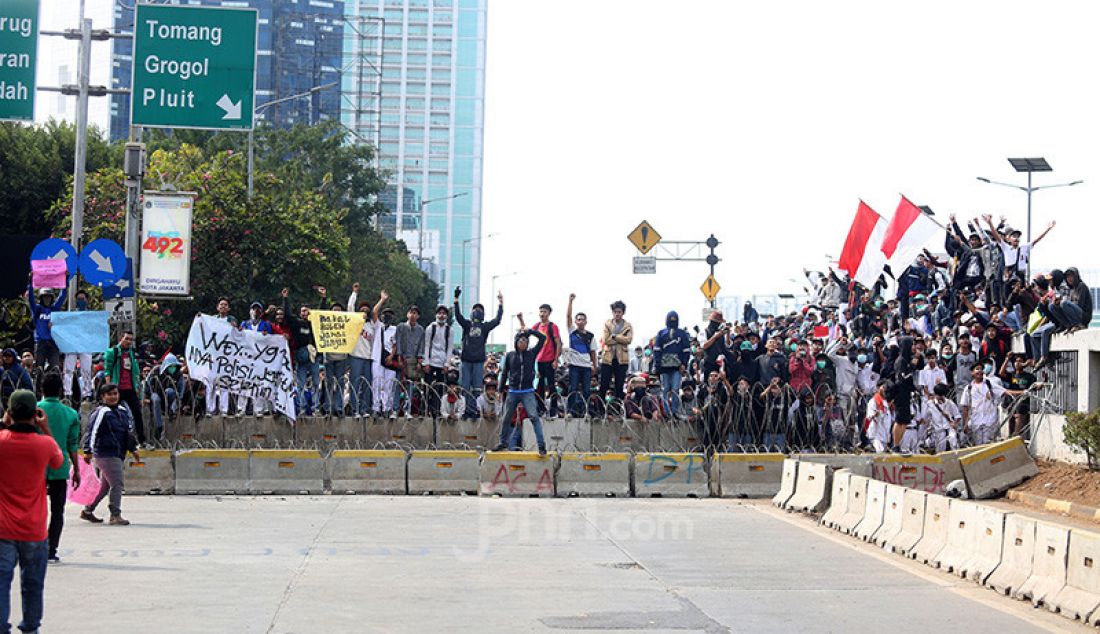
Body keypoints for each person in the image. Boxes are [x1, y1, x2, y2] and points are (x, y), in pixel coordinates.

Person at [0, 389, 63, 634]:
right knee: (33, 584)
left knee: (2, 583)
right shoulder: (44, 444)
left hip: (3, 528)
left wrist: (4, 425)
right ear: (34, 414)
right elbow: (59, 464)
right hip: (34, 529)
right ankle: (30, 628)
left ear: (10, 412)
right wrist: (46, 429)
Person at [80, 384, 140, 526]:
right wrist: (88, 451)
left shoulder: (122, 411)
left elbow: (127, 433)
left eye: (115, 393)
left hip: (118, 453)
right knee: (117, 484)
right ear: (103, 397)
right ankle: (115, 514)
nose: (113, 397)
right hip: (105, 453)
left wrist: (133, 449)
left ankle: (88, 511)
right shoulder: (102, 412)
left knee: (105, 486)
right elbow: (92, 431)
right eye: (109, 394)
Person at [37, 373, 81, 563]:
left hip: (35, 466)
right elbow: (72, 444)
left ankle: (34, 545)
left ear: (41, 390)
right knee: (57, 510)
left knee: (35, 508)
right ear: (61, 390)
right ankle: (51, 549)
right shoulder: (71, 414)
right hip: (60, 465)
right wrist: (76, 469)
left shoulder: (34, 410)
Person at [494, 322, 548, 455]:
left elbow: (543, 339)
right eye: (521, 340)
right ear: (516, 342)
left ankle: (541, 446)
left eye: (525, 340)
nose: (523, 342)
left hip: (528, 391)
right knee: (506, 417)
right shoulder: (510, 356)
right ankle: (502, 442)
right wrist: (500, 390)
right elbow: (505, 373)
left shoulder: (531, 354)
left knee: (534, 417)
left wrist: (530, 331)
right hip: (512, 391)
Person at [453, 288, 504, 419]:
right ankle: (464, 411)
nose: (477, 312)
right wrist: (456, 300)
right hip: (466, 360)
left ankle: (474, 410)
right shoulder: (467, 325)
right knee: (465, 387)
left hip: (478, 361)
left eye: (480, 310)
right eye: (475, 309)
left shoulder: (485, 327)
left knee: (476, 388)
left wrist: (500, 303)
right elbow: (458, 317)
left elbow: (497, 320)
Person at [281, 288, 320, 416]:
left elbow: (324, 314)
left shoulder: (315, 324)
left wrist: (323, 298)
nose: (305, 313)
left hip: (314, 358)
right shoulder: (296, 323)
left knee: (315, 382)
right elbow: (287, 314)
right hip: (301, 358)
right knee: (301, 383)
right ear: (300, 313)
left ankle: (315, 408)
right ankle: (302, 407)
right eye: (303, 311)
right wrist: (285, 299)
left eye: (307, 311)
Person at [103, 331, 146, 446]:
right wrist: (109, 388)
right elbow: (107, 370)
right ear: (121, 338)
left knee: (137, 412)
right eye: (127, 339)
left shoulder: (131, 353)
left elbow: (135, 371)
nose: (129, 342)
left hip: (130, 388)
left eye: (131, 340)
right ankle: (110, 439)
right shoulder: (113, 352)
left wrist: (137, 386)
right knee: (112, 413)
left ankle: (142, 440)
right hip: (117, 388)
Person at [345, 284, 379, 418]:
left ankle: (365, 409)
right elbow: (349, 308)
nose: (365, 311)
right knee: (355, 383)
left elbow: (376, 313)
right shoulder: (354, 322)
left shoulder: (371, 325)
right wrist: (354, 293)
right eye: (362, 309)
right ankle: (354, 409)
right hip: (356, 356)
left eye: (367, 309)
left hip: (369, 358)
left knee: (366, 384)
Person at [563, 294, 598, 418]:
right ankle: (570, 412)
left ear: (586, 321)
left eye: (583, 319)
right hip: (574, 366)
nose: (580, 321)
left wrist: (594, 365)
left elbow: (593, 352)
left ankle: (586, 412)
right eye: (578, 319)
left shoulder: (590, 336)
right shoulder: (573, 332)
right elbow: (568, 316)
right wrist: (570, 301)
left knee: (587, 391)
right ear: (576, 321)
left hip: (586, 366)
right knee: (572, 388)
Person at [239, 301, 274, 417]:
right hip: (247, 358)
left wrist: (265, 335)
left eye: (258, 309)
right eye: (254, 309)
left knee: (259, 384)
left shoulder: (266, 324)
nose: (256, 312)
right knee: (244, 383)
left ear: (261, 312)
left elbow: (270, 340)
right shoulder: (244, 324)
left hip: (260, 358)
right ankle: (241, 409)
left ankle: (258, 409)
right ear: (250, 311)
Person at [959, 362, 1007, 446]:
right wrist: (965, 424)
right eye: (977, 369)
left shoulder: (989, 384)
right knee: (977, 446)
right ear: (972, 372)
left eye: (981, 369)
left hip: (990, 421)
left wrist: (1024, 392)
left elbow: (1005, 392)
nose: (980, 371)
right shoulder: (968, 388)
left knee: (988, 445)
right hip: (976, 422)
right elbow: (965, 407)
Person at [654, 311, 691, 419]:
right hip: (664, 367)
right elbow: (657, 350)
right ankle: (666, 412)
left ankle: (674, 411)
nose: (672, 320)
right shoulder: (661, 333)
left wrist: (684, 363)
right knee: (665, 389)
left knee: (675, 388)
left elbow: (686, 350)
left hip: (677, 367)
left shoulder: (682, 334)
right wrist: (657, 364)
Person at [25, 277, 66, 372]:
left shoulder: (54, 309)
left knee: (55, 367)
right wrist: (30, 282)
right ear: (41, 298)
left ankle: (54, 385)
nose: (47, 299)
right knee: (39, 368)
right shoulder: (37, 310)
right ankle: (38, 386)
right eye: (44, 297)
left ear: (52, 299)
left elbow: (62, 296)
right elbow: (31, 298)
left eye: (48, 297)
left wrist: (65, 280)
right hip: (40, 342)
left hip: (53, 343)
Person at [530, 303, 562, 418]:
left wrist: (556, 359)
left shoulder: (552, 326)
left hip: (550, 359)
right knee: (540, 385)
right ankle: (541, 408)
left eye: (544, 312)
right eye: (541, 311)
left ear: (549, 313)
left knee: (552, 385)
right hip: (539, 360)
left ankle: (554, 409)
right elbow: (527, 332)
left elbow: (558, 343)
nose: (542, 314)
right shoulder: (537, 325)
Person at [62, 289, 94, 402]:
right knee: (68, 369)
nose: (80, 301)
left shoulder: (92, 316)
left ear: (87, 300)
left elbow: (97, 328)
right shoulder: (71, 315)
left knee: (86, 369)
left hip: (85, 345)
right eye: (78, 299)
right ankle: (67, 393)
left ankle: (87, 393)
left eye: (82, 299)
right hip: (72, 344)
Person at [422, 304, 454, 417]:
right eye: (439, 313)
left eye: (444, 313)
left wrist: (447, 364)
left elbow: (450, 348)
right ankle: (425, 410)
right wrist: (426, 362)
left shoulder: (449, 330)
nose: (441, 315)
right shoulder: (431, 327)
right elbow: (426, 345)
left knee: (440, 389)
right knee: (428, 387)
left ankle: (437, 411)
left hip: (442, 363)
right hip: (431, 362)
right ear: (436, 315)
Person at [598, 301, 633, 401]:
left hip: (622, 359)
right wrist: (620, 339)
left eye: (619, 312)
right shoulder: (607, 323)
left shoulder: (628, 325)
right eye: (615, 312)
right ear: (612, 312)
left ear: (623, 313)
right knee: (604, 385)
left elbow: (629, 340)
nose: (617, 314)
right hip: (608, 358)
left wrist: (614, 336)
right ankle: (601, 409)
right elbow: (605, 340)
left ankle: (618, 410)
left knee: (619, 385)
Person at [918, 383, 962, 452]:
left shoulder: (949, 403)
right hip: (938, 432)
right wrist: (921, 439)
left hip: (949, 430)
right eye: (939, 395)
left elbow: (958, 415)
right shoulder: (929, 404)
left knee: (954, 446)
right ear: (935, 394)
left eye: (942, 395)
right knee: (940, 452)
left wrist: (954, 423)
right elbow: (924, 422)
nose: (941, 397)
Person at [865, 379, 895, 453]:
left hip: (885, 437)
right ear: (878, 387)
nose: (885, 390)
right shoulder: (874, 401)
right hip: (876, 436)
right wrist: (876, 414)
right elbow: (869, 417)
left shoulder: (886, 403)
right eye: (883, 387)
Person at [0, 349, 33, 414]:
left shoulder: (20, 370)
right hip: (2, 401)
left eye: (9, 356)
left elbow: (28, 386)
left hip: (16, 401)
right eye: (5, 356)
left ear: (14, 357)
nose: (7, 358)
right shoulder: (1, 370)